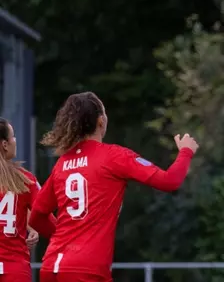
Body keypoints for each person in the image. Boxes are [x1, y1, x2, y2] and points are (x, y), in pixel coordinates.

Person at [29, 91, 199, 282]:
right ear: (101, 121)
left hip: (51, 267)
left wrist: (65, 238)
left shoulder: (62, 164)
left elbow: (36, 216)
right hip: (86, 270)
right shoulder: (113, 157)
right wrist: (186, 152)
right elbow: (170, 181)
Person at [0, 118, 56, 281]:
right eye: (13, 136)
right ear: (4, 144)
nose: (14, 141)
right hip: (14, 268)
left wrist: (30, 226)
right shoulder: (25, 180)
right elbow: (44, 218)